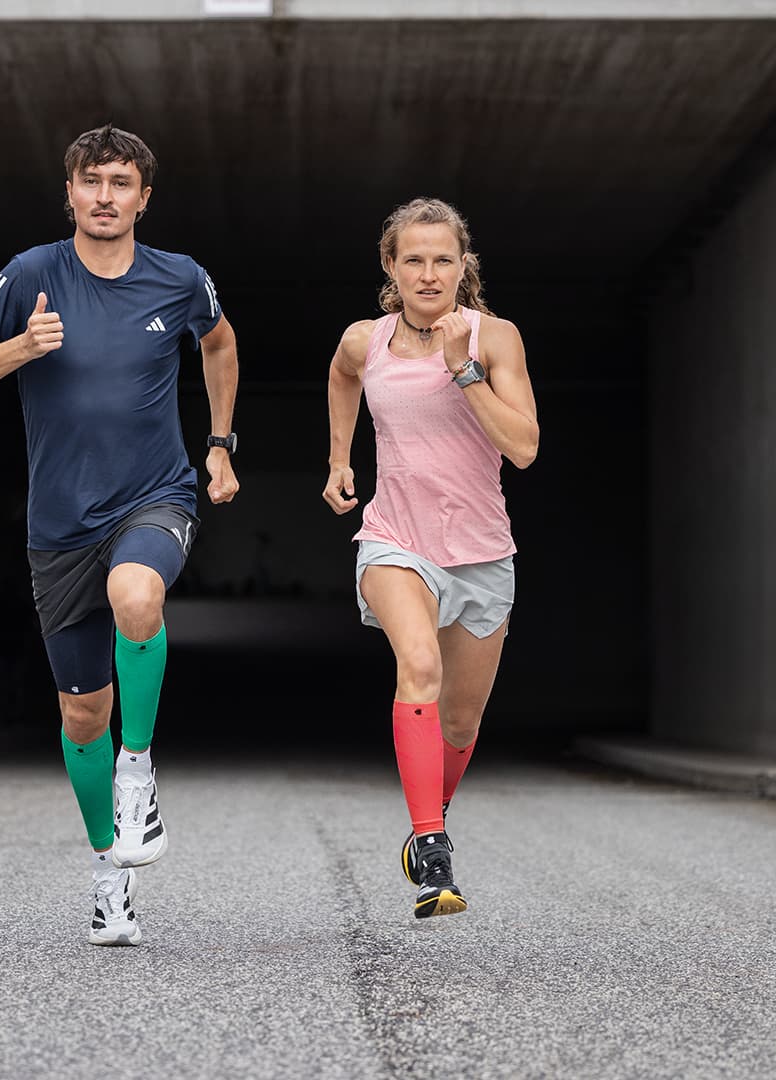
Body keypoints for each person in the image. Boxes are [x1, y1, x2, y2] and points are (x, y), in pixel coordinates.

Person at [0, 124, 240, 946]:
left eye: (120, 182)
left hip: (156, 493)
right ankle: (110, 869)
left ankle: (138, 771)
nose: (104, 196)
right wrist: (17, 347)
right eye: (90, 181)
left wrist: (218, 445)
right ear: (67, 192)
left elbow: (218, 343)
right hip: (60, 524)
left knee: (136, 594)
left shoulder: (181, 279)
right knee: (80, 716)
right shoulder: (33, 274)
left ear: (145, 197)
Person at [322, 196, 538, 920]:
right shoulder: (367, 339)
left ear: (461, 266)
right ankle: (432, 846)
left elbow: (524, 447)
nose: (428, 272)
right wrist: (338, 458)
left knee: (460, 723)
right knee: (417, 664)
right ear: (391, 266)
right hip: (395, 539)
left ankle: (429, 815)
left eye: (442, 258)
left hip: (481, 551)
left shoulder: (494, 337)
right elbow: (342, 375)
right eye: (412, 258)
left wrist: (463, 371)